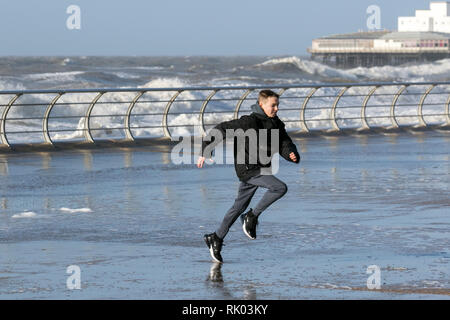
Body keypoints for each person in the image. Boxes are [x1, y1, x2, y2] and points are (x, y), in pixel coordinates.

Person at [197, 89, 300, 263]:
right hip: (249, 168)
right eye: (273, 105)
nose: (276, 109)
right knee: (279, 187)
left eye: (277, 105)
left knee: (238, 206)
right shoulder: (249, 121)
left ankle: (216, 237)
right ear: (261, 104)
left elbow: (284, 142)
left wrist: (291, 153)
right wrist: (206, 150)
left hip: (261, 167)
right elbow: (221, 129)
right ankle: (251, 216)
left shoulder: (276, 123)